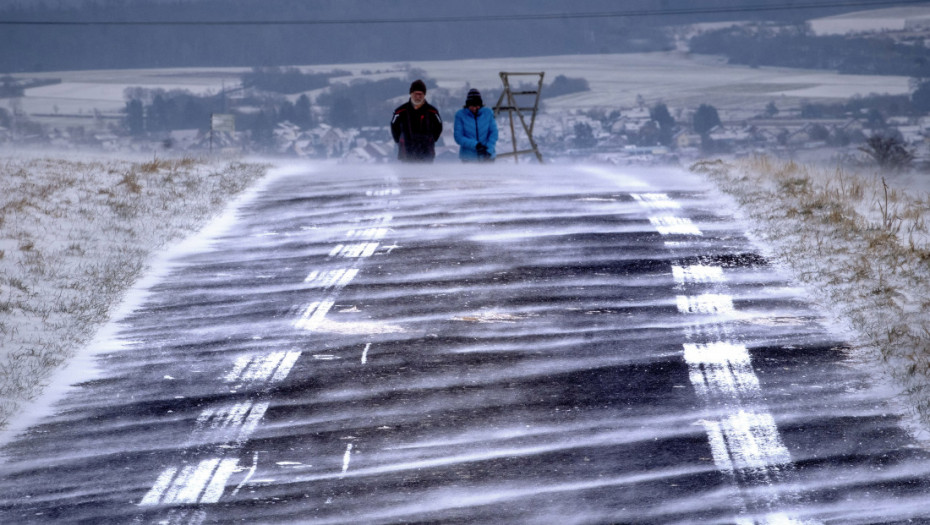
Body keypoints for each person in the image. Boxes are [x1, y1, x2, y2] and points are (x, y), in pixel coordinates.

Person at [390, 79, 443, 162]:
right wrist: (399, 140)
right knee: (407, 174)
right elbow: (394, 127)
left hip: (426, 152)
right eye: (416, 94)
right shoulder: (400, 111)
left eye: (420, 94)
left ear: (424, 95)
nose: (418, 97)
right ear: (411, 94)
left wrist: (431, 139)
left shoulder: (432, 111)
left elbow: (439, 126)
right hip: (406, 152)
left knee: (426, 174)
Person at [454, 88, 498, 162]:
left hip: (487, 157)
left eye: (477, 105)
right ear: (467, 105)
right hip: (468, 158)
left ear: (480, 104)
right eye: (472, 105)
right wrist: (476, 145)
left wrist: (488, 150)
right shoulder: (460, 115)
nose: (474, 108)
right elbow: (458, 137)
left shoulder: (488, 113)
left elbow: (493, 133)